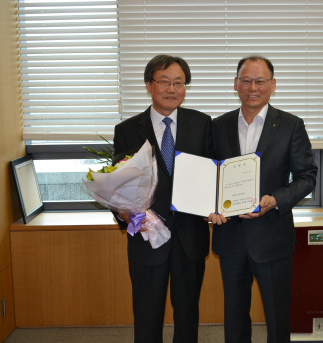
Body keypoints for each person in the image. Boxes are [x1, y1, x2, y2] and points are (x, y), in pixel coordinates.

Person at [209, 56, 318, 343]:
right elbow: (209, 176)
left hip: (272, 236)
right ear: (235, 84)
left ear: (272, 85)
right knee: (233, 316)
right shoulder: (217, 126)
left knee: (277, 316)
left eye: (260, 81)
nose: (252, 87)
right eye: (246, 80)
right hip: (230, 236)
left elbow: (307, 176)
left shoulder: (291, 125)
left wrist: (275, 199)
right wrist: (210, 206)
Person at [113, 54, 214, 343]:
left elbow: (212, 175)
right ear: (148, 85)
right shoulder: (127, 130)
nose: (172, 89)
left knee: (187, 315)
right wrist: (129, 216)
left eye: (179, 83)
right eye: (164, 82)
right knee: (146, 316)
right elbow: (117, 188)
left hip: (190, 239)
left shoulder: (202, 123)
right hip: (146, 238)